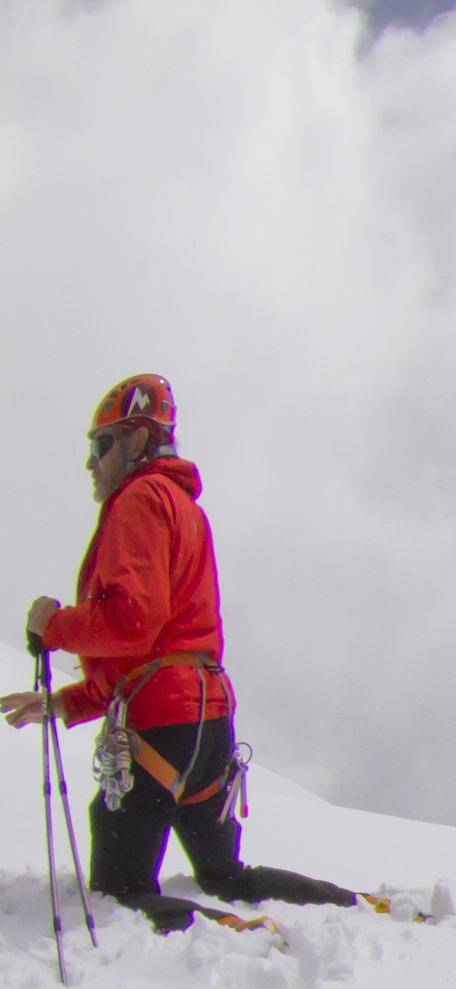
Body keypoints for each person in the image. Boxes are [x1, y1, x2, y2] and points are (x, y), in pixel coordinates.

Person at [7, 374, 356, 931]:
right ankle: (352, 911)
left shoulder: (138, 500)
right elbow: (154, 646)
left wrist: (52, 627)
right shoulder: (183, 509)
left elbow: (132, 623)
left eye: (100, 446)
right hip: (207, 722)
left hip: (160, 726)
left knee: (118, 895)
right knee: (226, 876)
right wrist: (66, 704)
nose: (90, 463)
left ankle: (239, 943)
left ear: (137, 440)